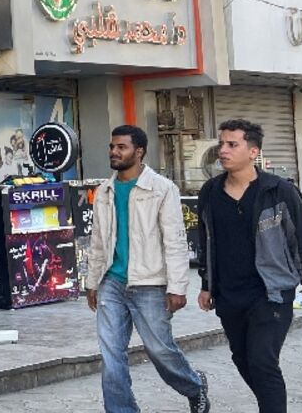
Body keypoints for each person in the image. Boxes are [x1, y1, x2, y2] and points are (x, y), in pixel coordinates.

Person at [196, 118, 302, 413]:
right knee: (242, 358)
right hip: (229, 293)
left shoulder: (278, 191)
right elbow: (207, 241)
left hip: (271, 292)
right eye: (221, 144)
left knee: (263, 361)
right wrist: (206, 284)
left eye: (232, 144)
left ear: (253, 151)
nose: (223, 150)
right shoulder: (210, 191)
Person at [86, 125, 210, 413]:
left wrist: (178, 287)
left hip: (150, 284)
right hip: (112, 283)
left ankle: (194, 385)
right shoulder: (104, 191)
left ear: (139, 152)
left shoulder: (162, 189)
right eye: (112, 147)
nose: (114, 152)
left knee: (160, 351)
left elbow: (175, 242)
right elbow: (98, 242)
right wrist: (92, 282)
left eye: (122, 147)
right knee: (111, 355)